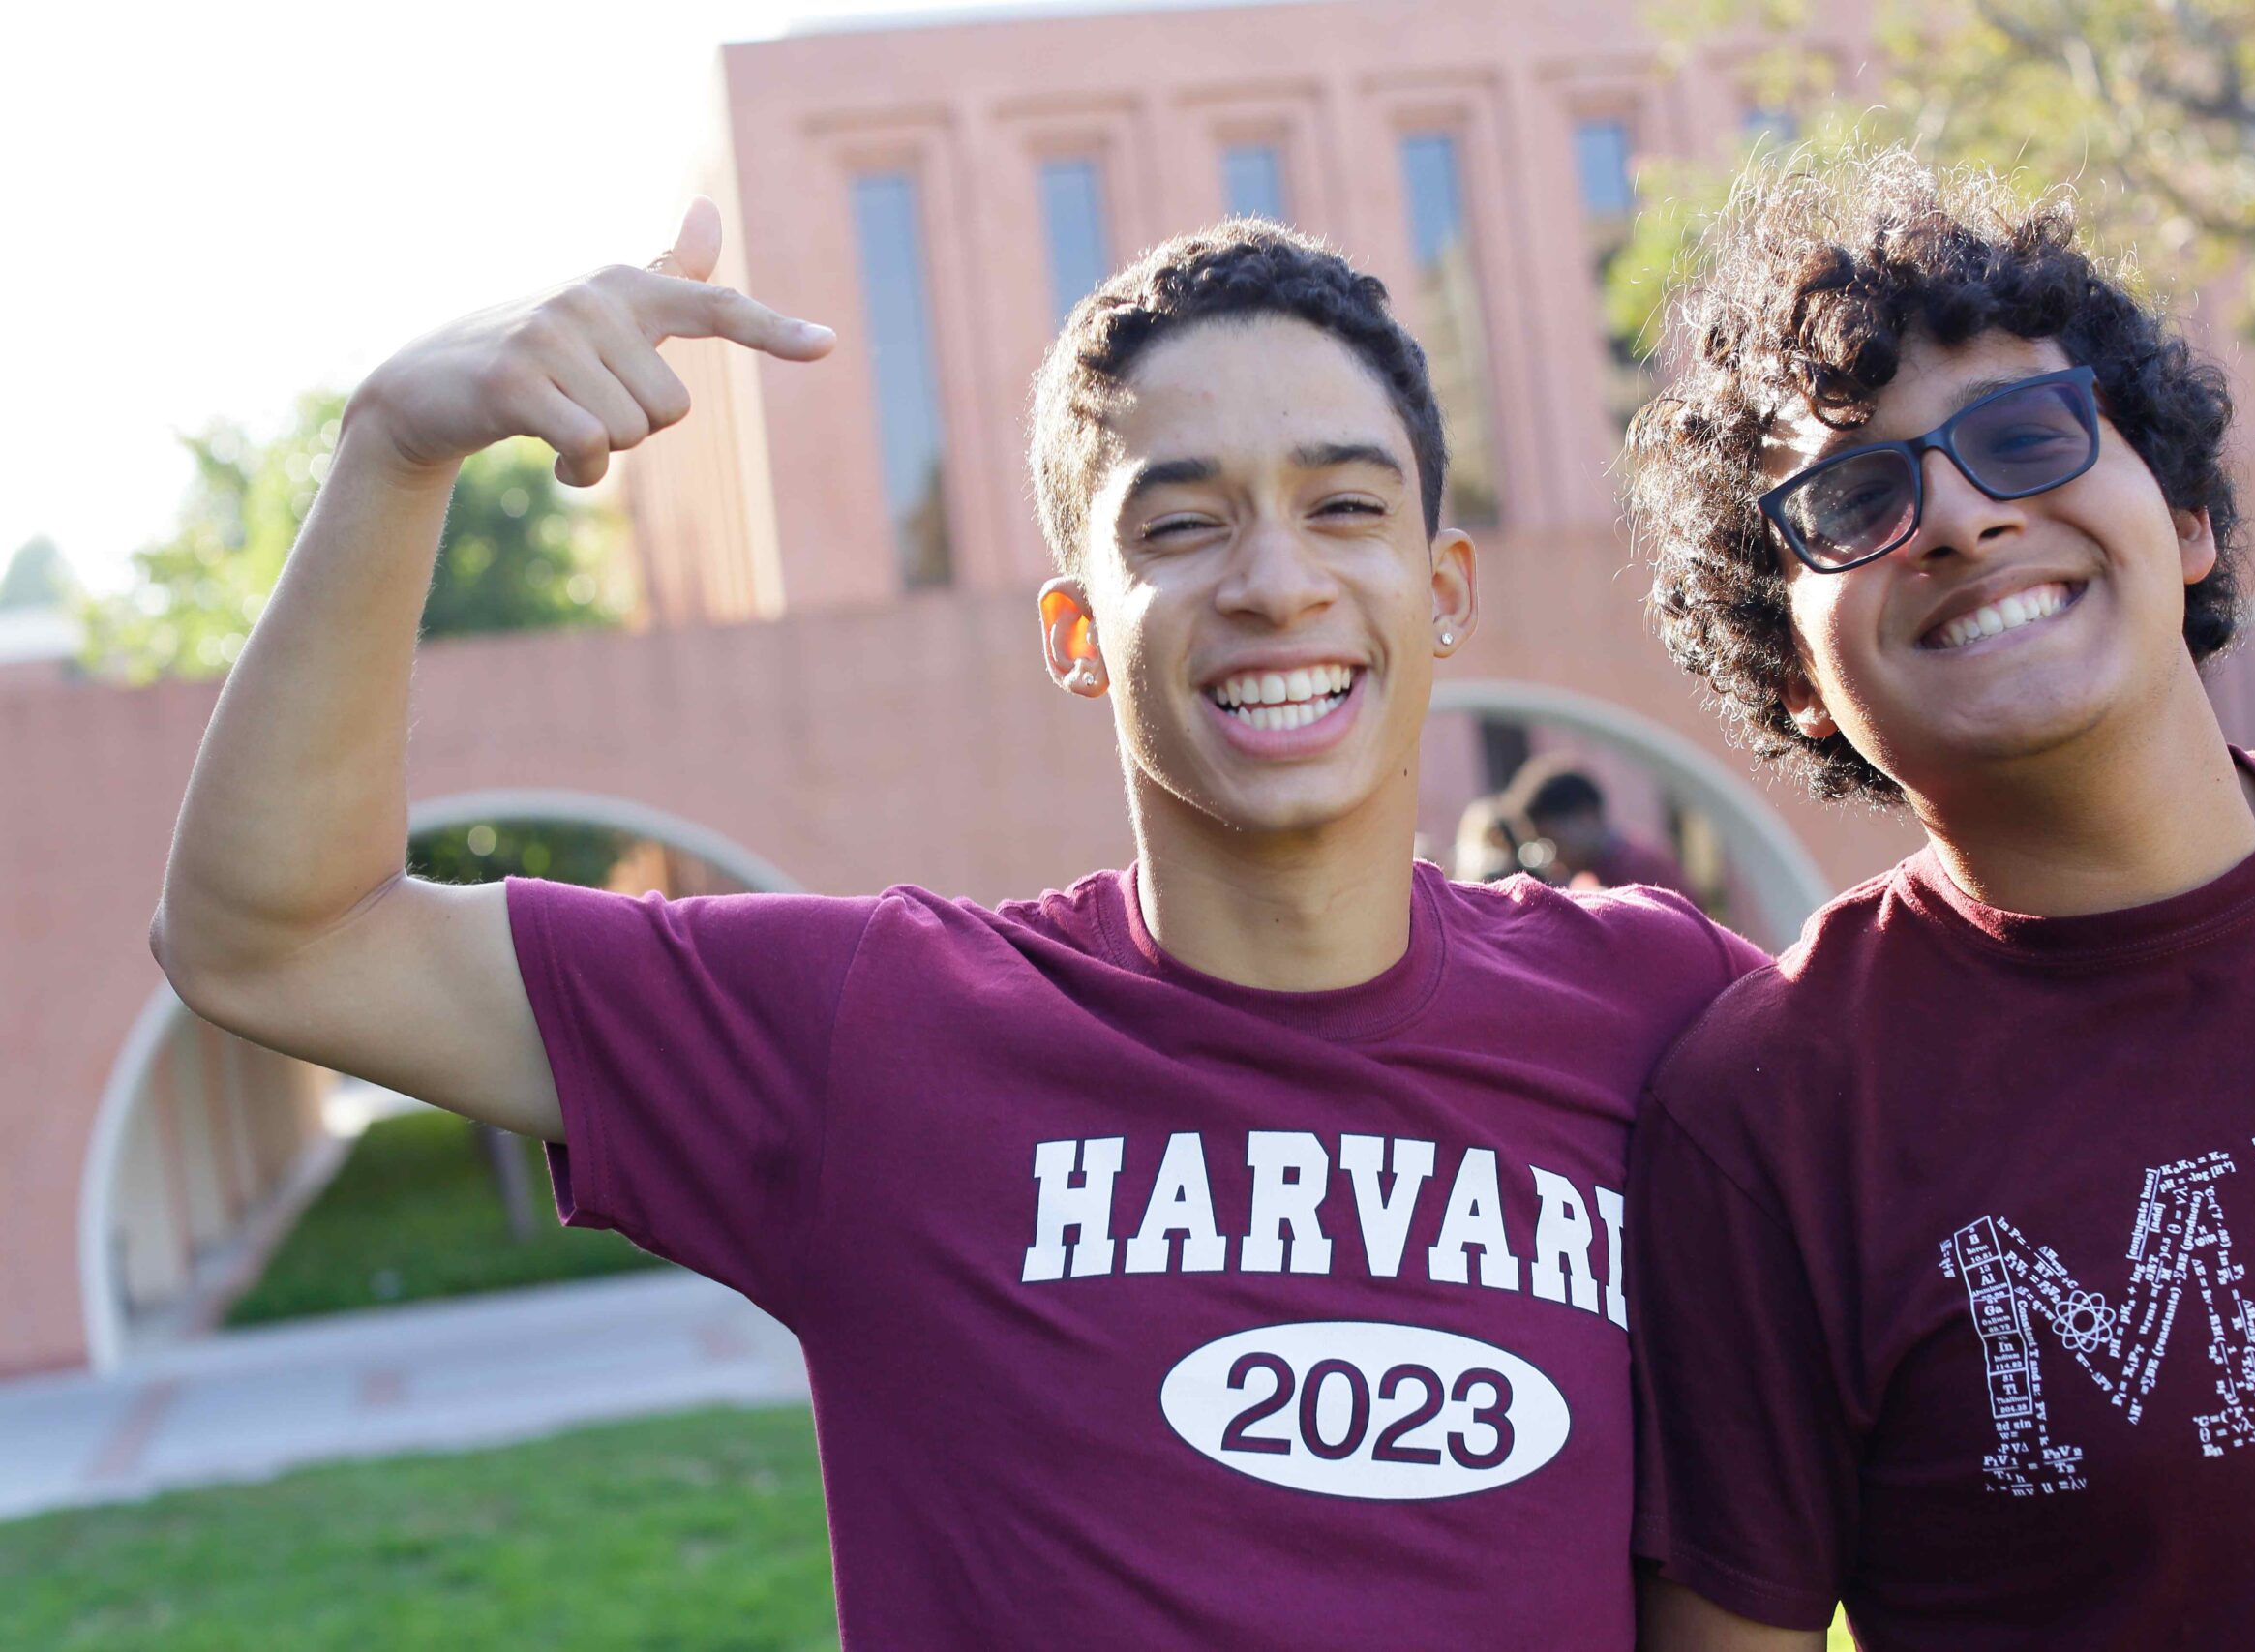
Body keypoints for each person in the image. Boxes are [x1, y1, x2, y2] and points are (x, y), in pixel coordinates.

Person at [151, 205, 1763, 1646]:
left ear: (1445, 589)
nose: (1277, 582)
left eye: (1345, 508)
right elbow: (273, 937)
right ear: (1077, 634)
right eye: (1180, 524)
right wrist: (392, 445)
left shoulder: (1656, 1005)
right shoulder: (878, 1032)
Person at [1618, 148, 2255, 1650]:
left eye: (2027, 433)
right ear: (1793, 676)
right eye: (1854, 494)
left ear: (2189, 517)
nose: (1957, 518)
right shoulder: (1771, 1121)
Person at [1500, 755, 1692, 895]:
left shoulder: (1638, 868)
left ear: (1586, 816)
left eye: (1552, 842)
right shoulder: (1590, 875)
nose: (1552, 860)